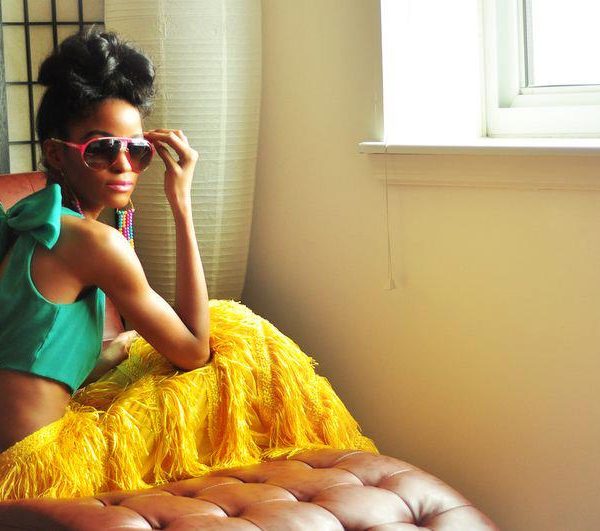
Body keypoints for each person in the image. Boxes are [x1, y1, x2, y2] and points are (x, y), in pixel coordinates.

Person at [0, 28, 376, 500]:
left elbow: (32, 354)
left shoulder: (33, 220)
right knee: (237, 335)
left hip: (15, 454)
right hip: (44, 468)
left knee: (171, 343)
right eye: (101, 149)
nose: (124, 166)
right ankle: (331, 480)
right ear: (57, 152)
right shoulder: (93, 241)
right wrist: (181, 202)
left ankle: (317, 484)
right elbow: (194, 352)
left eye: (137, 150)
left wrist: (114, 352)